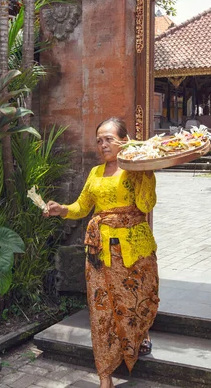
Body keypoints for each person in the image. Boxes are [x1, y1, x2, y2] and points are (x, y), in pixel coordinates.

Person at [44, 117, 160, 388]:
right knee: (101, 311)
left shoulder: (137, 170)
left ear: (124, 140)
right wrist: (62, 209)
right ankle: (105, 374)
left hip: (135, 249)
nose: (103, 144)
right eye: (99, 140)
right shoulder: (95, 172)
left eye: (109, 138)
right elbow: (82, 207)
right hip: (99, 252)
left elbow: (145, 204)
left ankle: (140, 335)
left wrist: (144, 169)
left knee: (142, 298)